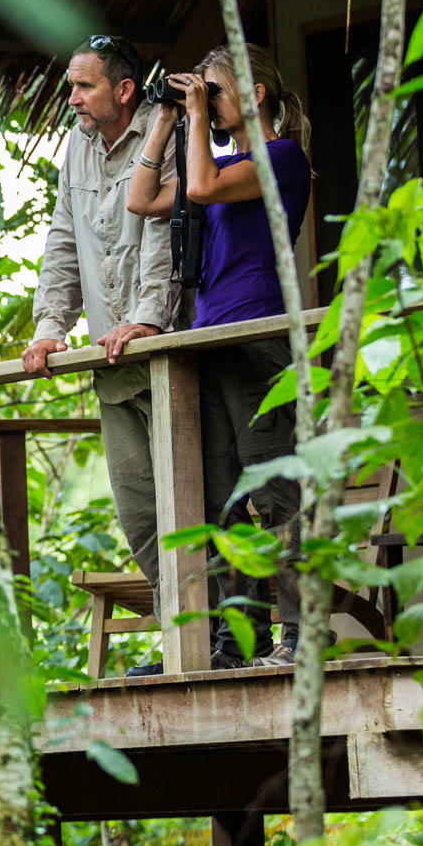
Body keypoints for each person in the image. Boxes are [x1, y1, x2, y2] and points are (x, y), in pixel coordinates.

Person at [126, 42, 311, 669]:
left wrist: (199, 116)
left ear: (254, 96)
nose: (204, 100)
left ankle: (299, 637)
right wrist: (166, 118)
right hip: (208, 340)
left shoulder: (281, 158)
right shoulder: (222, 159)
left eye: (215, 90)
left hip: (258, 337)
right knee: (224, 498)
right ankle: (239, 642)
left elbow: (200, 187)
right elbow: (143, 195)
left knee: (278, 489)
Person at [21, 35, 175, 674]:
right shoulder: (75, 150)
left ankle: (215, 643)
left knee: (190, 501)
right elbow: (63, 242)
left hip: (168, 353)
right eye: (72, 85)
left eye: (84, 86)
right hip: (109, 361)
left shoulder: (163, 134)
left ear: (123, 91)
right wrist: (50, 326)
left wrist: (148, 317)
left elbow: (168, 231)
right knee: (139, 511)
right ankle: (181, 641)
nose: (73, 98)